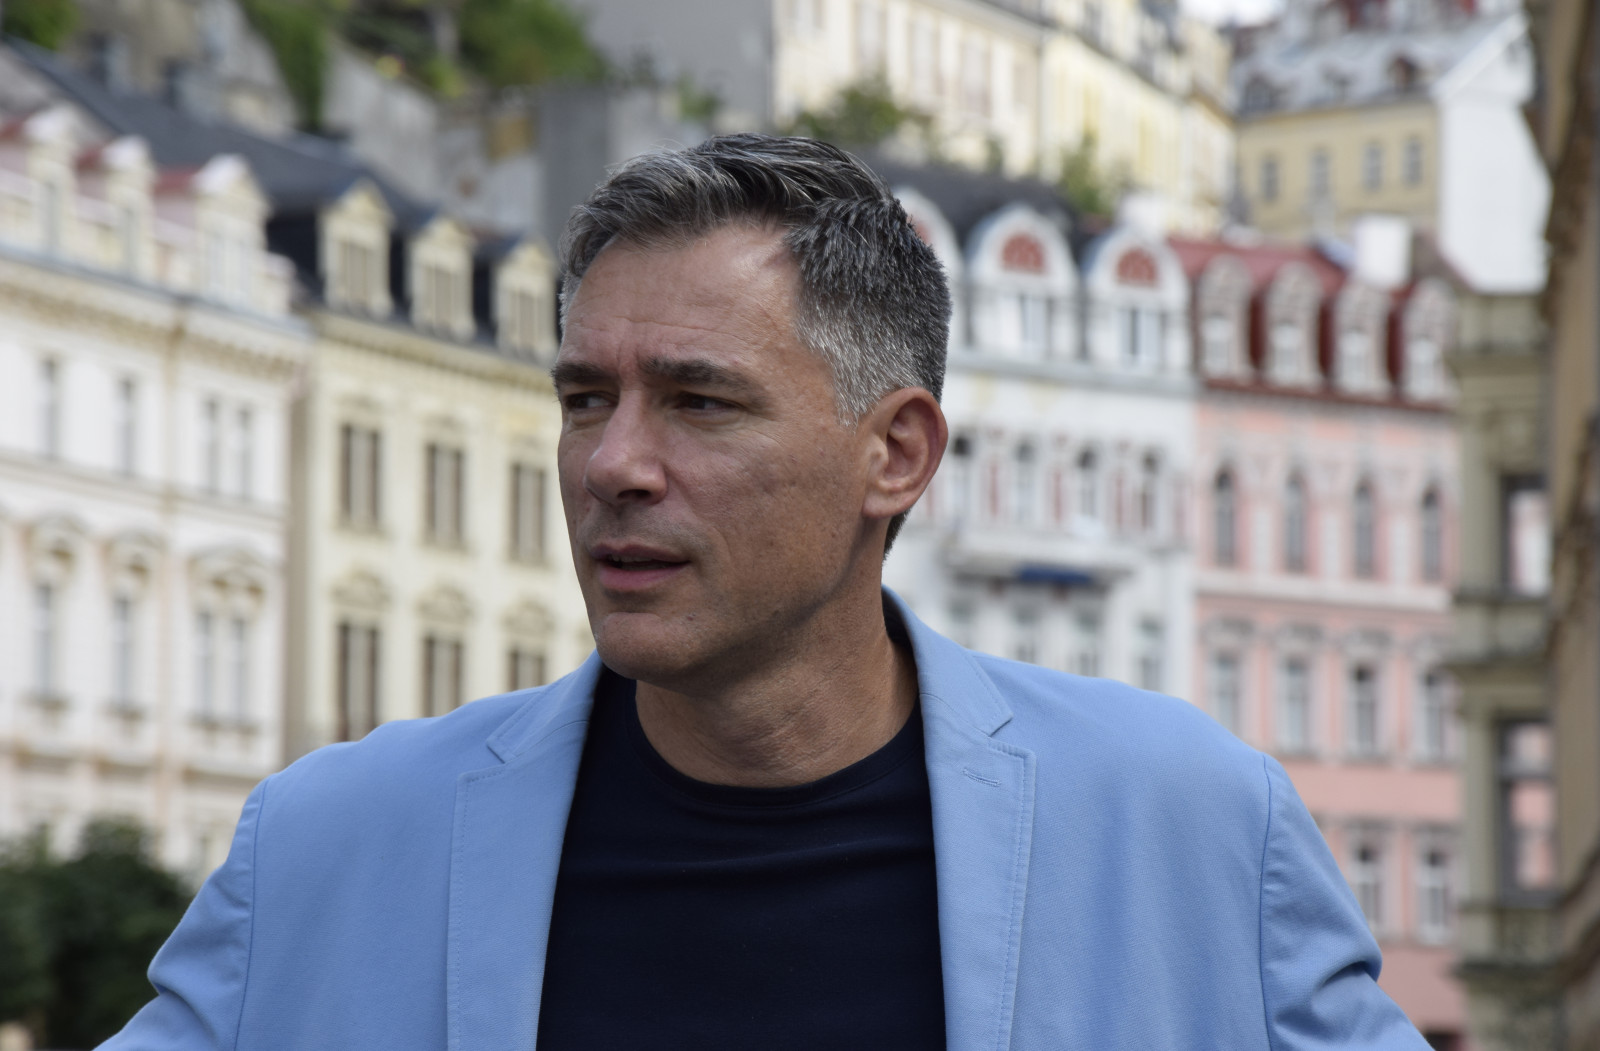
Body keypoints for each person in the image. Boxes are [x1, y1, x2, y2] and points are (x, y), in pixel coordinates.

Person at [104, 135, 1427, 1050]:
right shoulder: (329, 849)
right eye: (586, 401)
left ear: (894, 455)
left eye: (700, 402)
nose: (614, 465)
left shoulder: (1192, 832)